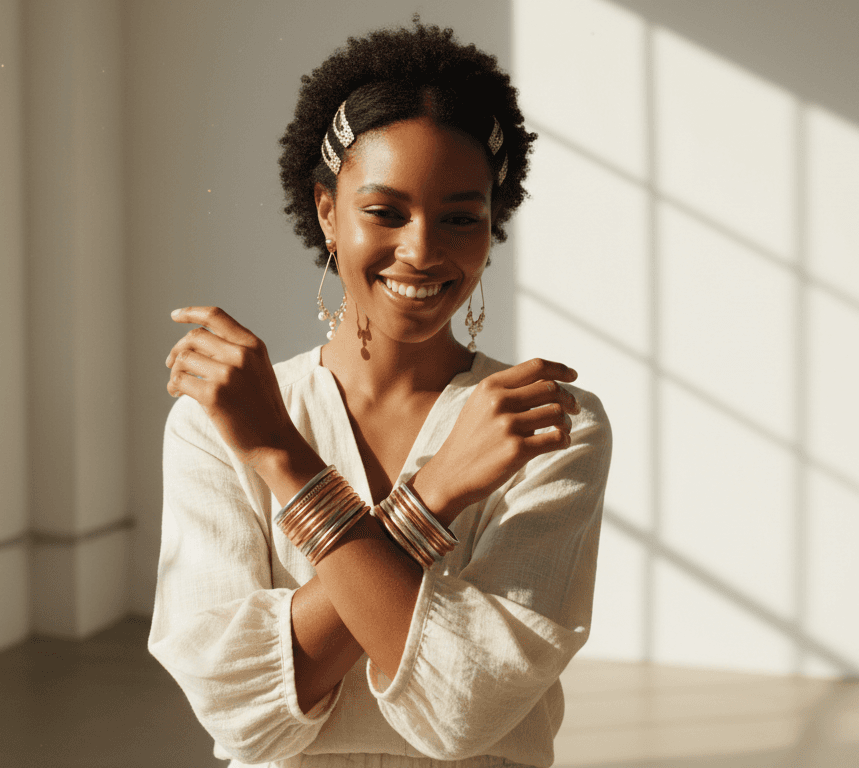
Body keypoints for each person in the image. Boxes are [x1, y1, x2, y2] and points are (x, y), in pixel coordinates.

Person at [150, 19, 611, 768]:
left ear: (493, 227)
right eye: (384, 211)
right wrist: (429, 498)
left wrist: (282, 462)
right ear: (328, 211)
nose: (423, 249)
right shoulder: (218, 425)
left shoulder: (549, 424)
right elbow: (240, 713)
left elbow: (466, 709)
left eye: (461, 216)